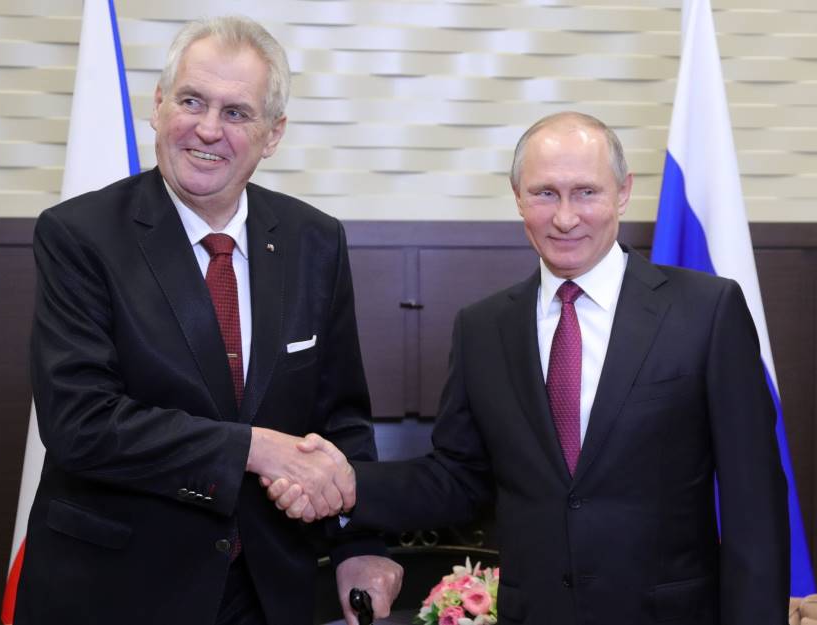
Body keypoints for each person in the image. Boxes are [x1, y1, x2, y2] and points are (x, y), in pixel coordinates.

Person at [271, 112, 789, 624]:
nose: (565, 217)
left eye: (586, 191)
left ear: (623, 192)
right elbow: (456, 480)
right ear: (518, 197)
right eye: (545, 193)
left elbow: (755, 507)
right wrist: (345, 484)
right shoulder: (482, 328)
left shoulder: (705, 311)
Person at [15, 16, 401, 625]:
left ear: (273, 134)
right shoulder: (79, 236)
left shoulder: (314, 241)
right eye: (192, 101)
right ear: (159, 104)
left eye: (237, 112)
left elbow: (341, 415)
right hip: (116, 590)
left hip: (268, 589)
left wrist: (359, 543)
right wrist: (254, 449)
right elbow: (79, 422)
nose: (207, 129)